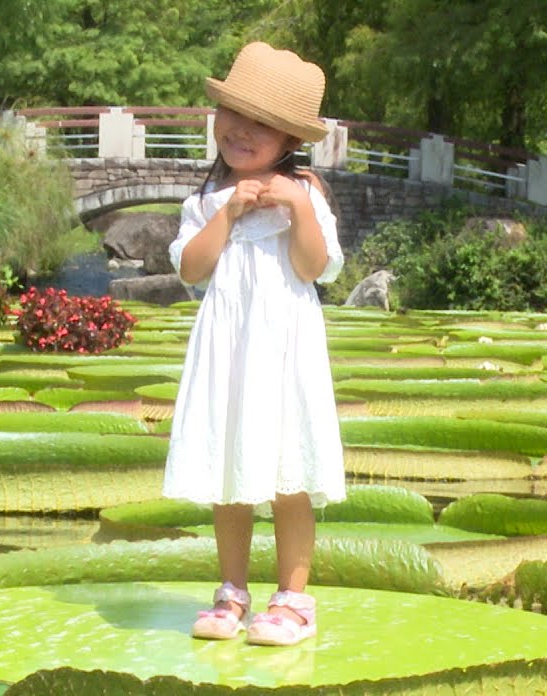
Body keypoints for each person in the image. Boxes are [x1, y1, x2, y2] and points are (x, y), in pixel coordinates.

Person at [162, 41, 346, 647]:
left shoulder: (305, 194)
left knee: (290, 473)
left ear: (290, 139)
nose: (242, 131)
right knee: (230, 470)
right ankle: (231, 591)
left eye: (261, 124)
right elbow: (192, 270)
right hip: (230, 354)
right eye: (234, 114)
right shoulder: (204, 202)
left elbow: (315, 268)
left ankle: (293, 599)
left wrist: (298, 208)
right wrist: (227, 214)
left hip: (286, 352)